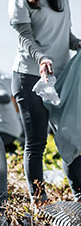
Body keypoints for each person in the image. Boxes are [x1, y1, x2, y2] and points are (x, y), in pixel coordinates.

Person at [8, 0, 81, 206]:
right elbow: (25, 36)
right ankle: (39, 200)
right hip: (29, 76)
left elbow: (64, 35)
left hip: (60, 78)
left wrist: (78, 44)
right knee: (37, 141)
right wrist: (41, 57)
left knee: (68, 138)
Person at [0, 70, 22, 226]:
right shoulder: (7, 78)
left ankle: (2, 209)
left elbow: (5, 96)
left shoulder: (2, 80)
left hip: (6, 129)